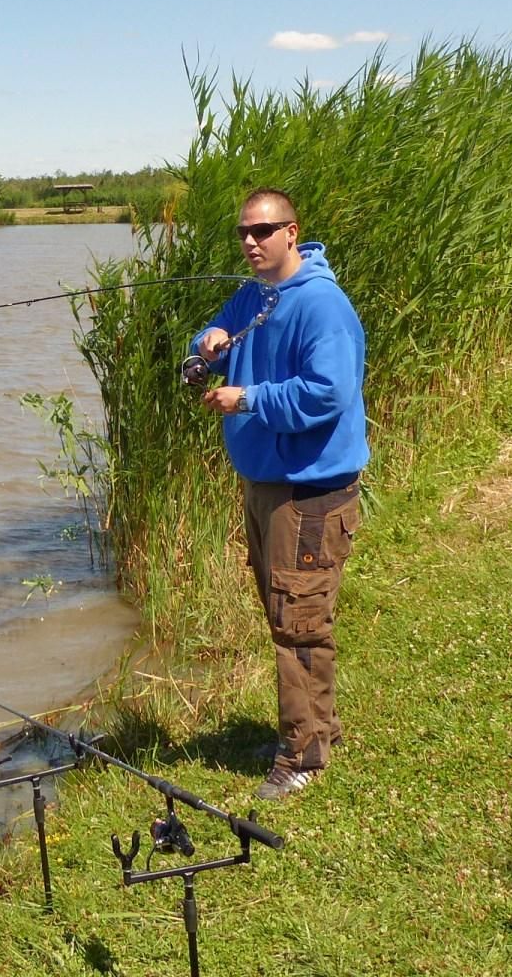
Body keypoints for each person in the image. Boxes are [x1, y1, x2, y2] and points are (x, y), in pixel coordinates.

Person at [191, 187, 368, 800]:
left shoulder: (322, 305)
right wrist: (209, 339)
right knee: (285, 614)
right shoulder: (253, 295)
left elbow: (327, 393)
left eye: (263, 231)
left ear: (292, 233)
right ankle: (318, 729)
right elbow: (212, 337)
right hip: (264, 486)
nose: (250, 241)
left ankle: (302, 756)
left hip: (310, 493)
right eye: (243, 232)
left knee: (298, 622)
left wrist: (248, 399)